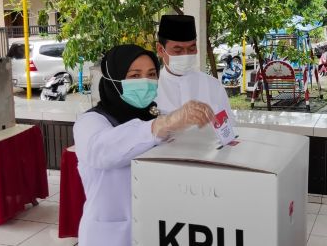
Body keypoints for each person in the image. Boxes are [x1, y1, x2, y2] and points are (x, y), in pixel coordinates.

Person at [73, 44, 214, 246]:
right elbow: (101, 151)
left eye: (151, 74)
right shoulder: (91, 122)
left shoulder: (156, 117)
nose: (145, 82)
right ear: (114, 79)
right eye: (134, 76)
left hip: (158, 229)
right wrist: (161, 125)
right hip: (111, 235)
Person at [155, 14, 235, 122]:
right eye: (178, 50)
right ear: (160, 49)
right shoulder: (151, 89)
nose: (186, 55)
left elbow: (227, 128)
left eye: (191, 49)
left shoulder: (213, 86)